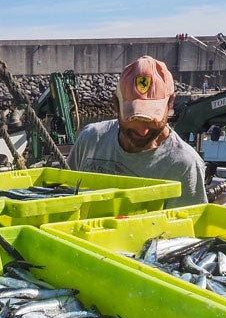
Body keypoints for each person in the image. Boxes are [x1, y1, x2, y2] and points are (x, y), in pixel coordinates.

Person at [66, 56, 209, 207]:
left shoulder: (184, 166)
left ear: (171, 103)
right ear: (115, 104)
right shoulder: (90, 139)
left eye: (152, 119)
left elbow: (184, 227)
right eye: (133, 118)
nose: (143, 131)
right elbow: (63, 195)